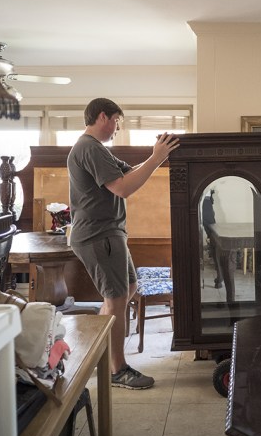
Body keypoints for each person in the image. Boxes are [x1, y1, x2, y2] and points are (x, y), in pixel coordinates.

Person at [67, 97, 179, 389]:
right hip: (98, 235)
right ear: (103, 116)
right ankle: (117, 370)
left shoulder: (96, 150)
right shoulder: (88, 148)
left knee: (127, 289)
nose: (117, 128)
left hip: (108, 233)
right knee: (116, 299)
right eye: (117, 121)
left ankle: (100, 352)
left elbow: (128, 174)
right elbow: (123, 188)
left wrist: (157, 155)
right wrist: (156, 158)